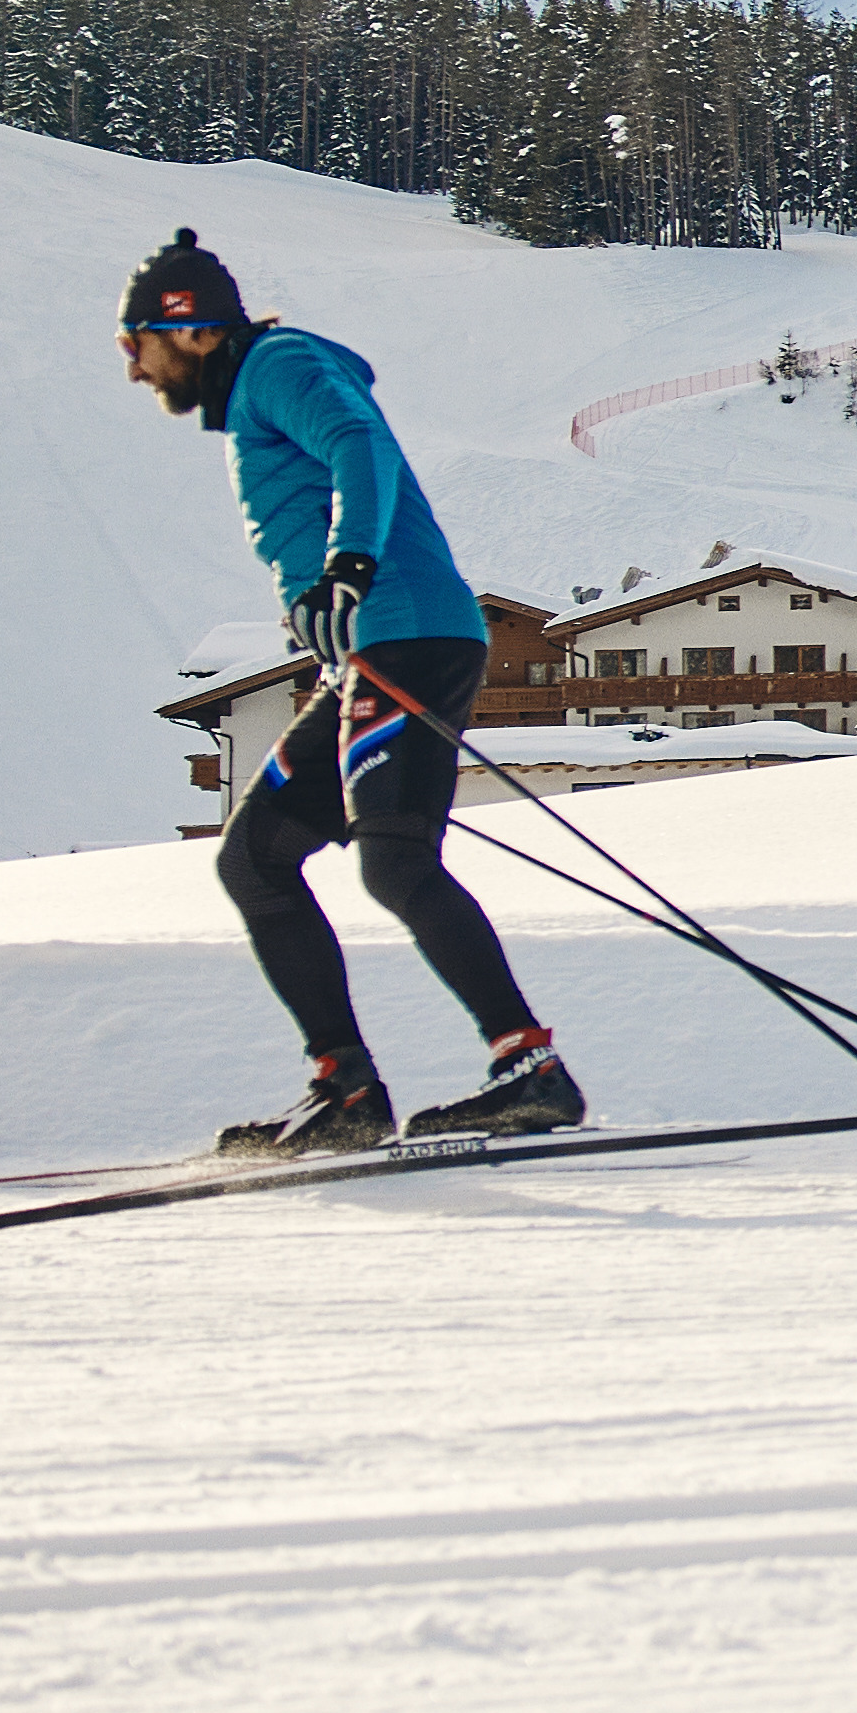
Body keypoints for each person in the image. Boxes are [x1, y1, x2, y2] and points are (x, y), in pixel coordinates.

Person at [120, 227, 578, 1150]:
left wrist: (348, 567)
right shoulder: (256, 383)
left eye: (136, 344)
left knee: (396, 860)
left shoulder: (281, 362)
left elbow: (356, 443)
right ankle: (346, 1090)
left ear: (195, 330)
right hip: (374, 649)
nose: (133, 369)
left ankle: (529, 1067)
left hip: (405, 632)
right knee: (254, 860)